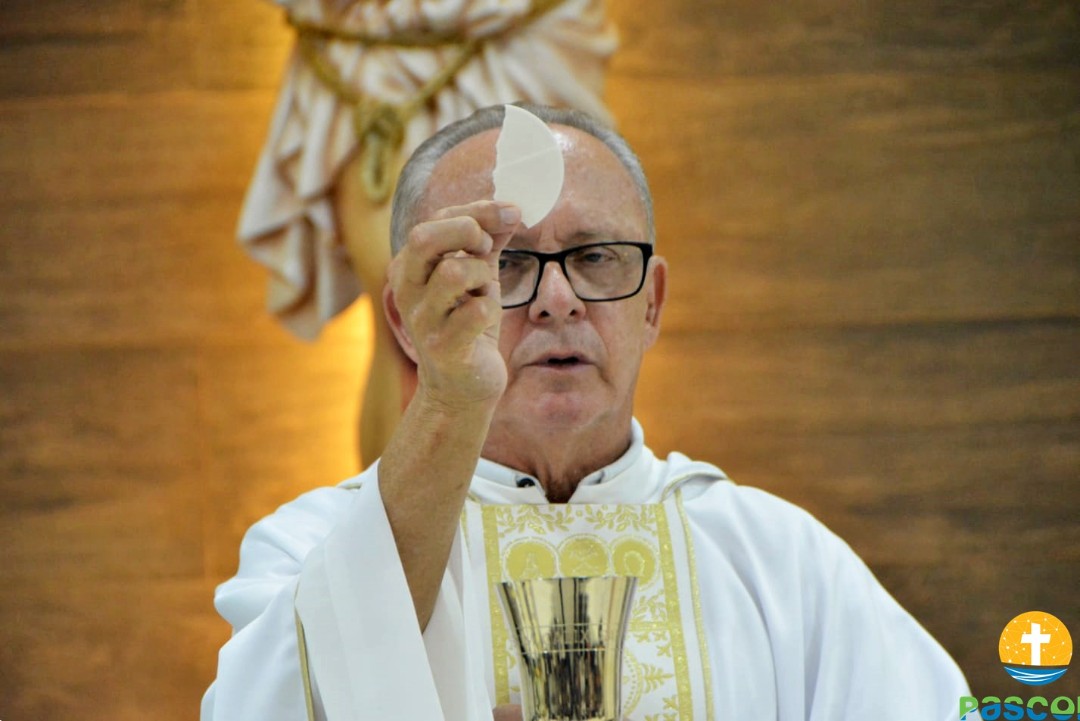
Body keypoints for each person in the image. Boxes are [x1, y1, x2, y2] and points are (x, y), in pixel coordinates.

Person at [202, 104, 972, 721]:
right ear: (406, 318)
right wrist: (452, 397)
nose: (557, 298)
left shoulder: (783, 562)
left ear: (652, 303)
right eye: (505, 262)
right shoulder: (308, 547)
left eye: (595, 256)